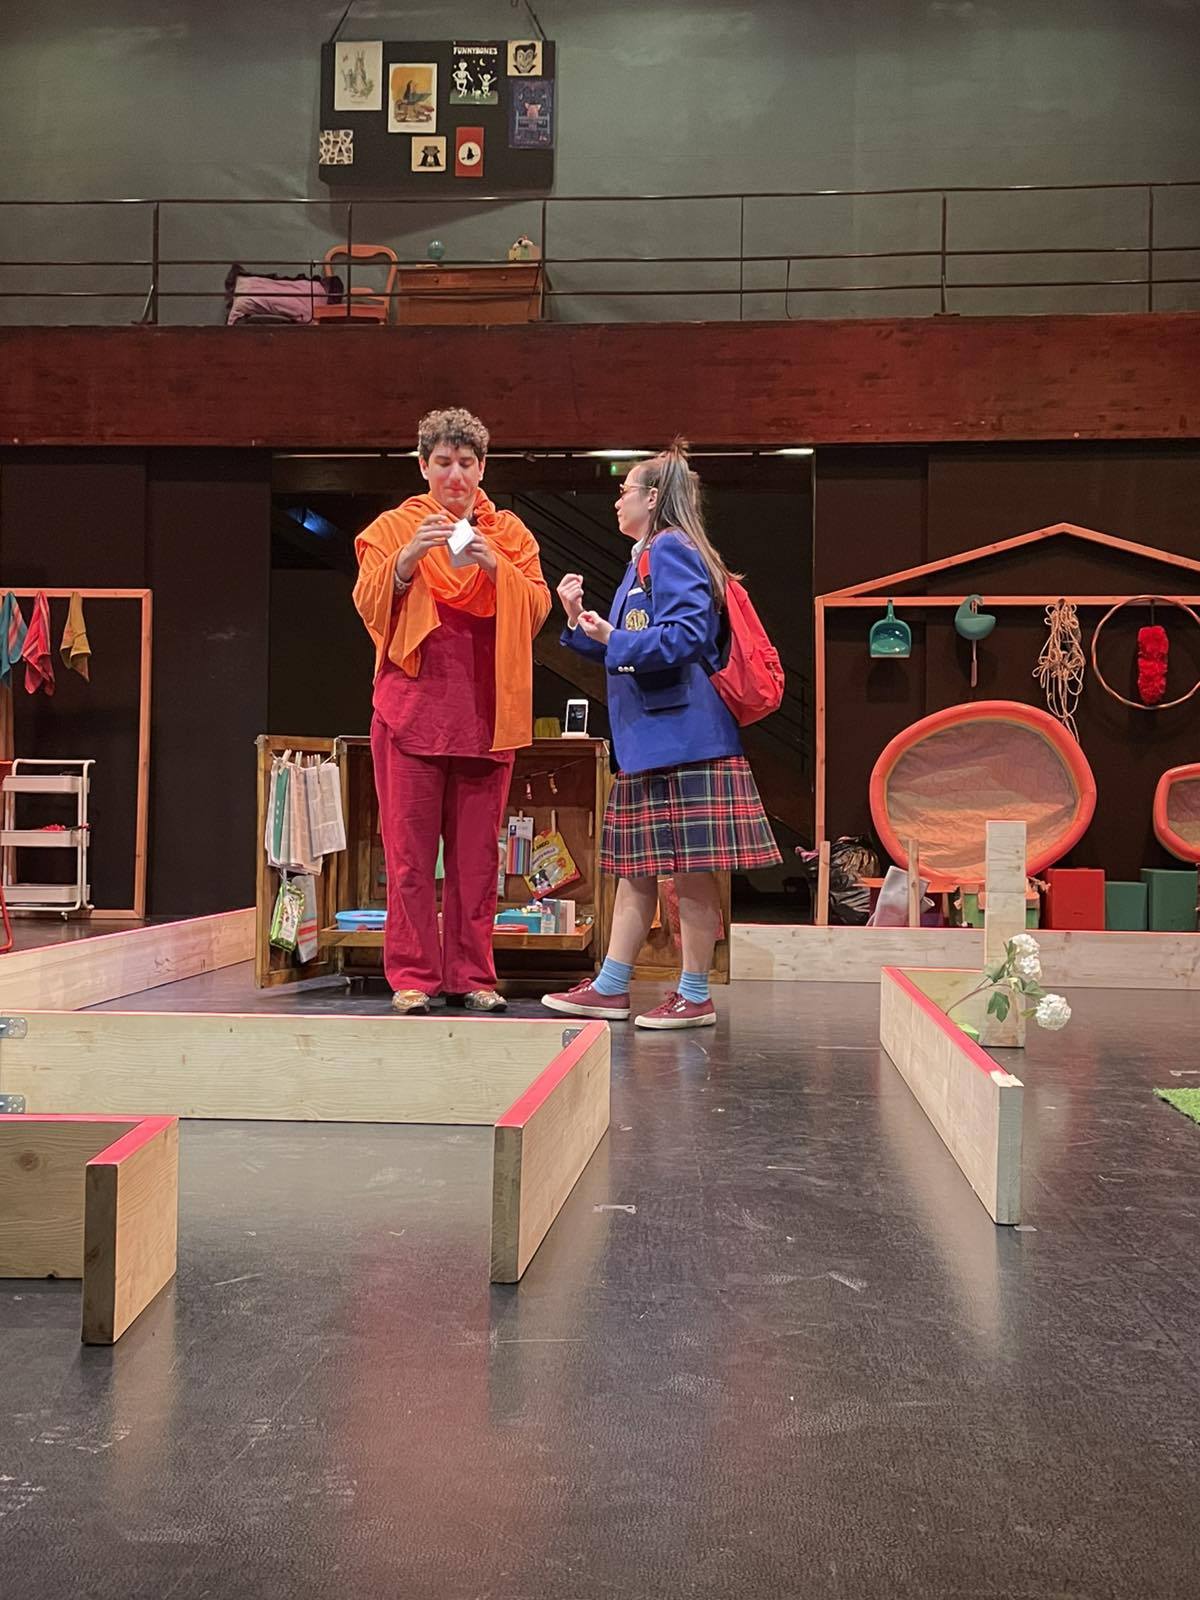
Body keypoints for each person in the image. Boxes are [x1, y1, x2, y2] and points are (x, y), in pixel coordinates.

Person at [542, 441, 780, 1029]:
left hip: (684, 738)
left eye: (625, 489)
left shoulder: (671, 549)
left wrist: (612, 639)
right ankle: (611, 986)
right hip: (653, 740)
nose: (616, 499)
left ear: (652, 498)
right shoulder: (643, 557)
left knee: (692, 873)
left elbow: (686, 636)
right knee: (638, 870)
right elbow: (636, 644)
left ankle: (694, 993)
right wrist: (581, 625)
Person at [353, 408, 550, 1014]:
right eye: (443, 463)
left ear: (483, 467)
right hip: (410, 714)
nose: (455, 475)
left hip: (486, 718)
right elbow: (366, 601)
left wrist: (496, 567)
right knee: (408, 859)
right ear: (423, 466)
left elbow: (538, 607)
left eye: (466, 463)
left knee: (478, 861)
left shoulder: (509, 535)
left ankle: (472, 975)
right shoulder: (394, 529)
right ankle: (413, 976)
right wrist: (406, 561)